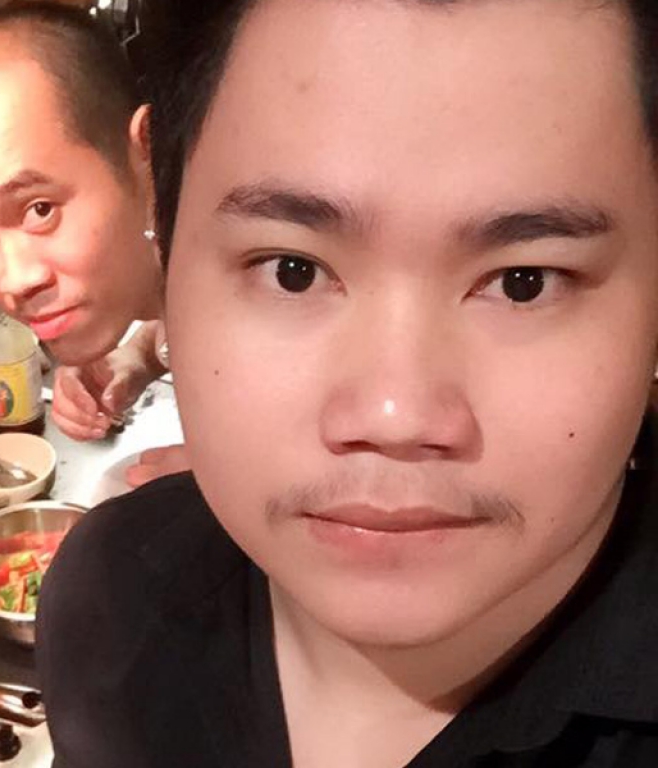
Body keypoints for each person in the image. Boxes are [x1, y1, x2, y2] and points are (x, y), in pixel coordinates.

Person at [36, 0, 658, 766]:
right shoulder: (112, 605)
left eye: (524, 282)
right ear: (161, 216)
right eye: (292, 271)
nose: (395, 415)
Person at [0, 3, 185, 484]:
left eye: (40, 209)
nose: (17, 280)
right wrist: (138, 357)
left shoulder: (278, 292)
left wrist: (232, 476)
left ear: (146, 151)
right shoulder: (188, 281)